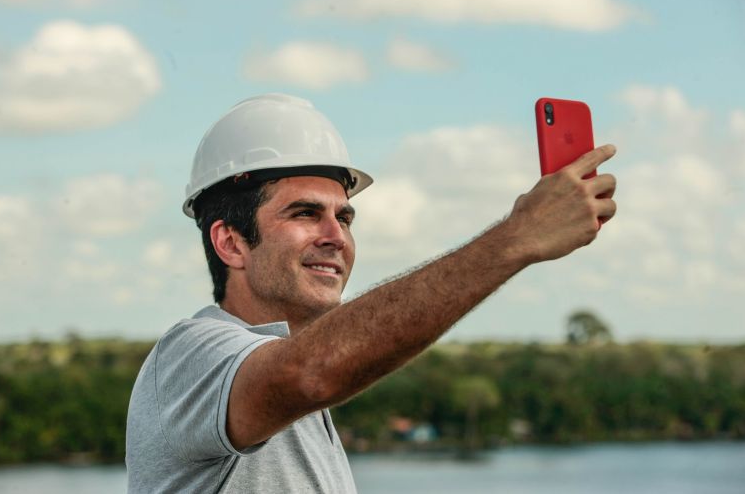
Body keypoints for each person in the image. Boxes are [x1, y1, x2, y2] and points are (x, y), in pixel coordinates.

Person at [125, 93, 617, 493]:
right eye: (304, 213)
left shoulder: (297, 394)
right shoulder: (189, 358)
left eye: (344, 216)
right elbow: (312, 372)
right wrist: (517, 237)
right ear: (230, 242)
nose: (336, 236)